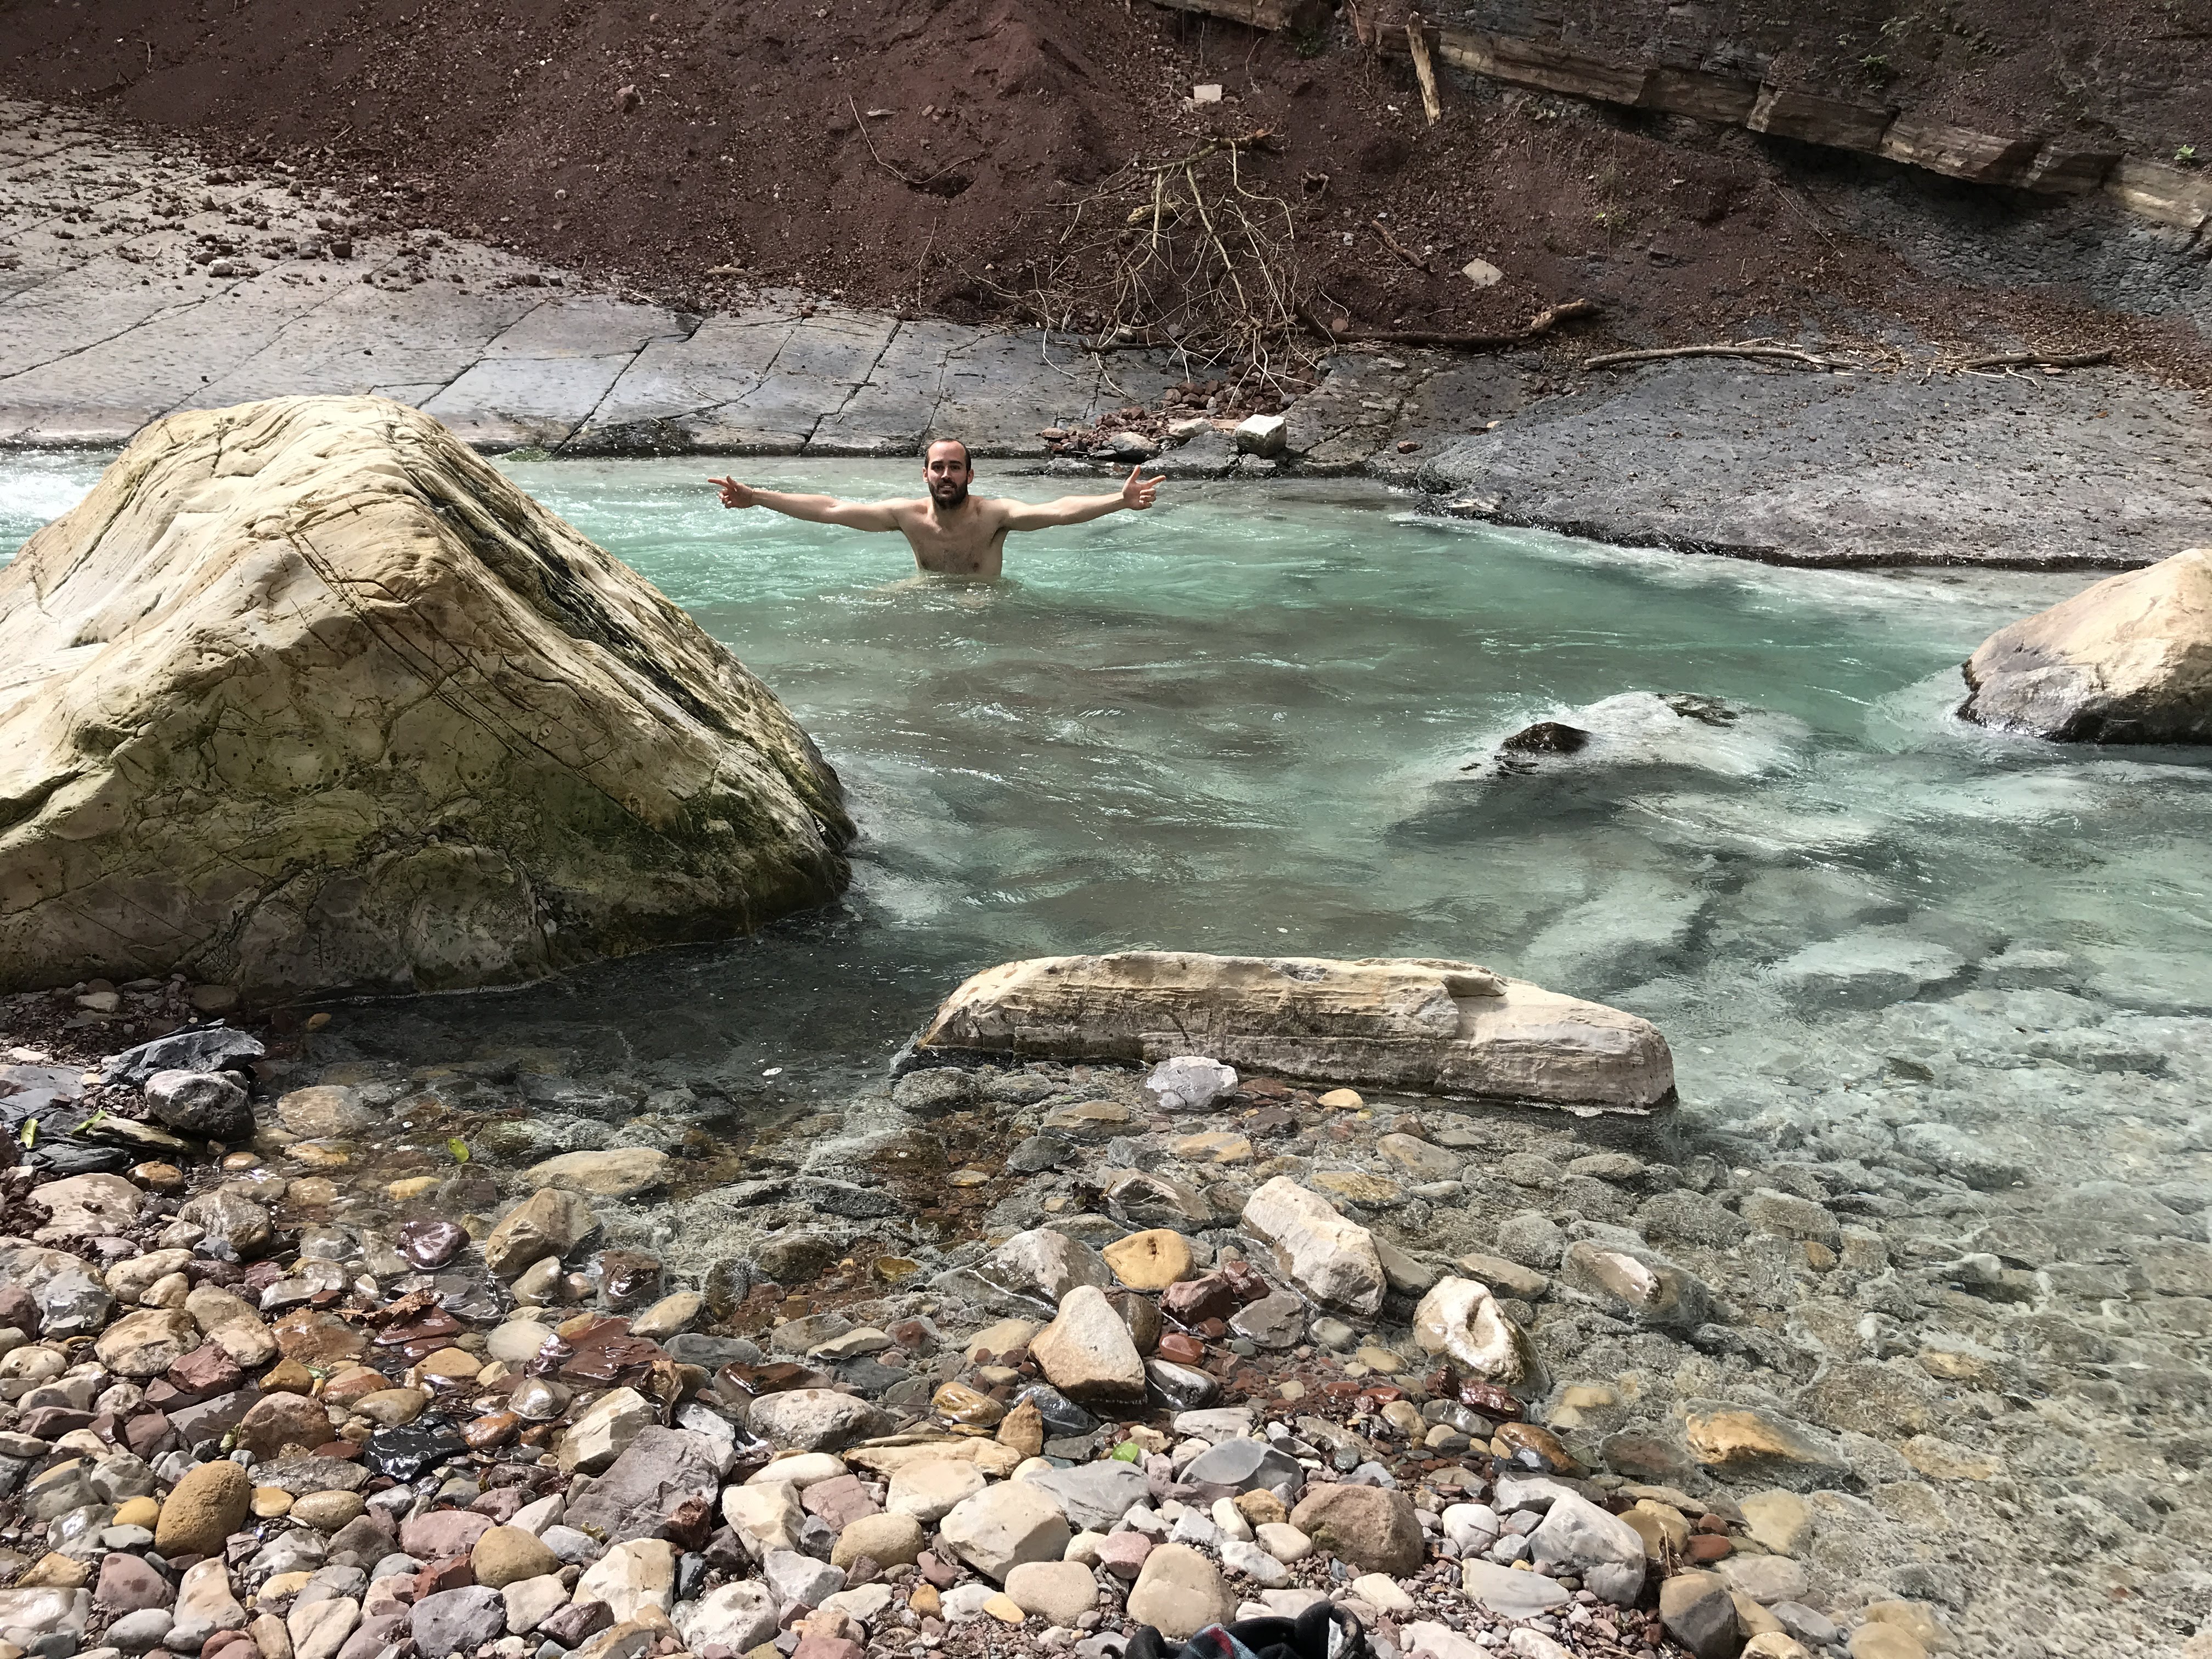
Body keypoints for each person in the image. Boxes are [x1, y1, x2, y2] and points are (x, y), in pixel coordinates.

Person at [708, 438, 1162, 580]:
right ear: (924, 474)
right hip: (924, 595)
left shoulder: (995, 516)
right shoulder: (906, 516)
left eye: (955, 468)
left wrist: (1118, 501)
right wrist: (757, 496)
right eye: (938, 468)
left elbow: (1060, 509)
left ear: (970, 475)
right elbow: (831, 508)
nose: (947, 475)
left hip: (985, 607)